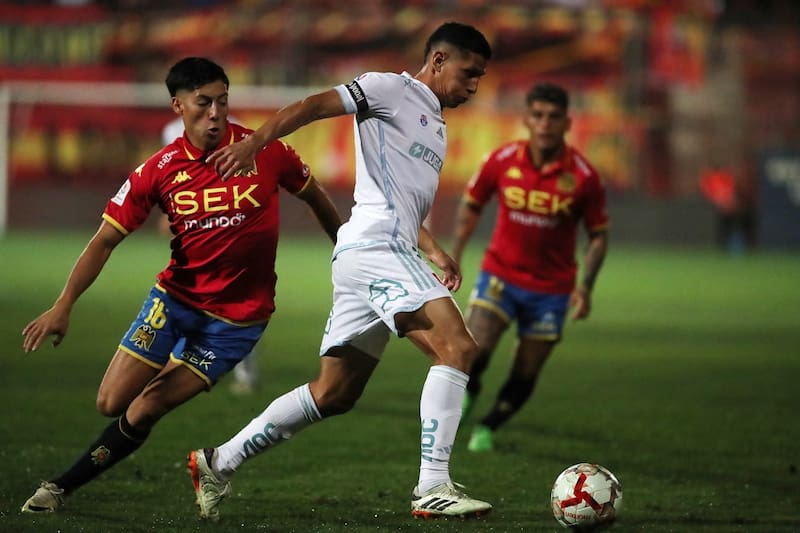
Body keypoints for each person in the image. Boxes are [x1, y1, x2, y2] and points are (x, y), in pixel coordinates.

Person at [187, 21, 493, 521]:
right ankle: (432, 487)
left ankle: (218, 461)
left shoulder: (434, 124)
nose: (474, 85)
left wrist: (433, 249)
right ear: (438, 61)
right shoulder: (389, 88)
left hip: (375, 252)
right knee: (457, 347)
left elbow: (396, 201)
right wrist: (253, 145)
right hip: (375, 251)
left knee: (334, 392)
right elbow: (310, 106)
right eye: (469, 72)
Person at [20, 57, 342, 513]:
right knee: (111, 401)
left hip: (236, 322)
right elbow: (104, 241)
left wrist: (345, 251)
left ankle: (58, 488)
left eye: (223, 101)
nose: (216, 113)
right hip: (176, 301)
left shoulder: (262, 150)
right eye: (204, 103)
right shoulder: (158, 169)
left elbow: (316, 196)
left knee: (149, 406)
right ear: (178, 106)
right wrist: (63, 304)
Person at [450, 82, 609, 453]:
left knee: (526, 371)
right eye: (538, 115)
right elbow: (472, 203)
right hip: (501, 274)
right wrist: (454, 252)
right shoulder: (502, 160)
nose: (545, 124)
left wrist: (586, 287)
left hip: (552, 291)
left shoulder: (584, 177)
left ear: (567, 123)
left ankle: (488, 426)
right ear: (526, 119)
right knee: (476, 350)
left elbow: (598, 235)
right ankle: (468, 392)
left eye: (554, 117)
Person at [161, 114, 260, 395]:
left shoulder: (239, 130)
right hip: (194, 227)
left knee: (236, 302)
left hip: (228, 223)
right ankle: (187, 363)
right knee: (190, 296)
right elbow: (173, 176)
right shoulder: (171, 131)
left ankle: (244, 374)